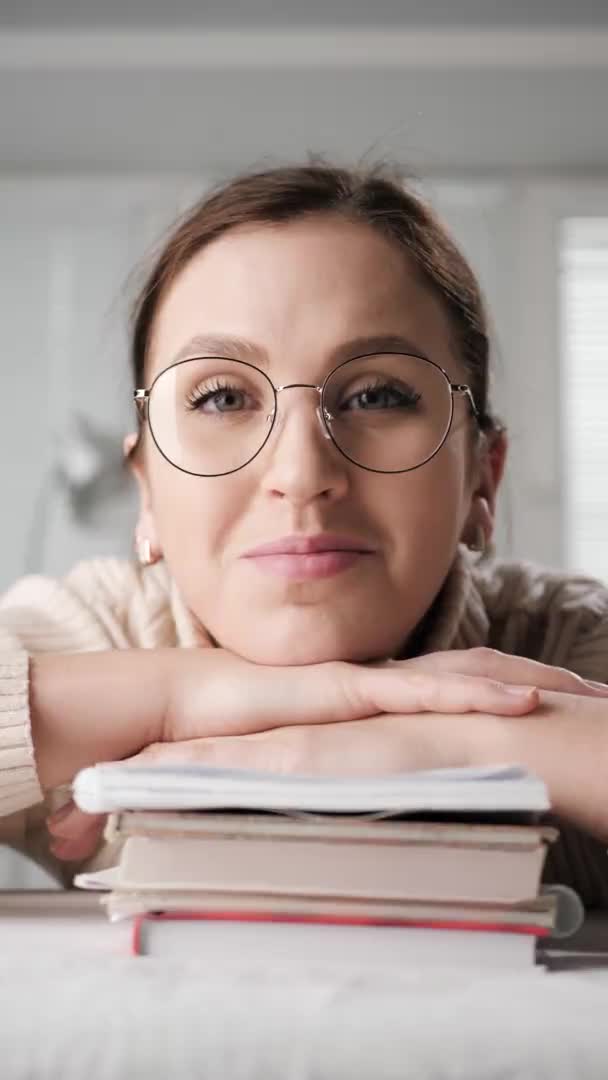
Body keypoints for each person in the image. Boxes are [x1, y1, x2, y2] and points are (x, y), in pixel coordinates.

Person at [1, 162, 608, 903]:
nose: (299, 471)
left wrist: (466, 739)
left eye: (378, 394)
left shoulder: (568, 649)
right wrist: (181, 700)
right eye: (222, 396)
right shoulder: (91, 633)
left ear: (483, 475)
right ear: (147, 490)